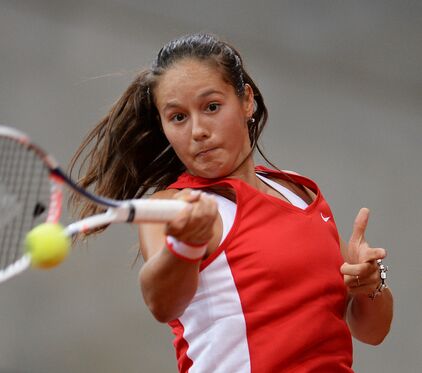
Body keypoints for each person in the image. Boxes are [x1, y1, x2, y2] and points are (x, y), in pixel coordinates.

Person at [69, 33, 393, 372]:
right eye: (178, 117)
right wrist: (187, 245)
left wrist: (370, 285)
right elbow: (161, 304)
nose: (198, 131)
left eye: (211, 107)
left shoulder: (299, 192)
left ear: (246, 101)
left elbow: (372, 331)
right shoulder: (174, 206)